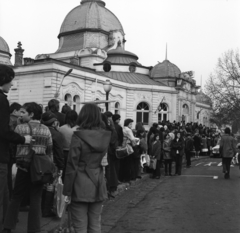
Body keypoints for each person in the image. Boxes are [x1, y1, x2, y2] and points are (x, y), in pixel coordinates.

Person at [3, 102, 53, 233]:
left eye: (23, 112)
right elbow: (49, 151)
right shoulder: (46, 129)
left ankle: (8, 226)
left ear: (31, 114)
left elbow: (13, 146)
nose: (20, 114)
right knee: (36, 199)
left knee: (16, 197)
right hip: (39, 170)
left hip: (23, 166)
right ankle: (34, 229)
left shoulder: (20, 129)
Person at [63, 103, 111, 233]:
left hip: (80, 183)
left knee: (80, 226)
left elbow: (71, 165)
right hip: (98, 182)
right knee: (95, 224)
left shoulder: (78, 136)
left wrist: (67, 191)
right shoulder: (105, 136)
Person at [0, 64, 31, 232]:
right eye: (10, 81)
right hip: (1, 156)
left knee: (6, 195)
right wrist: (22, 139)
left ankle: (7, 225)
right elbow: (3, 131)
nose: (12, 85)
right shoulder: (2, 99)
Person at [41, 111, 65, 217]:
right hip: (52, 163)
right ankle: (46, 210)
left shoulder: (40, 131)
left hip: (39, 163)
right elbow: (59, 152)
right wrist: (61, 166)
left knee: (41, 186)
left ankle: (40, 207)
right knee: (50, 186)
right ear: (54, 123)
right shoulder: (56, 134)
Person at [58, 110, 78, 182]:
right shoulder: (79, 129)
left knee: (65, 171)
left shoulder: (61, 128)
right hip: (76, 152)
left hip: (64, 152)